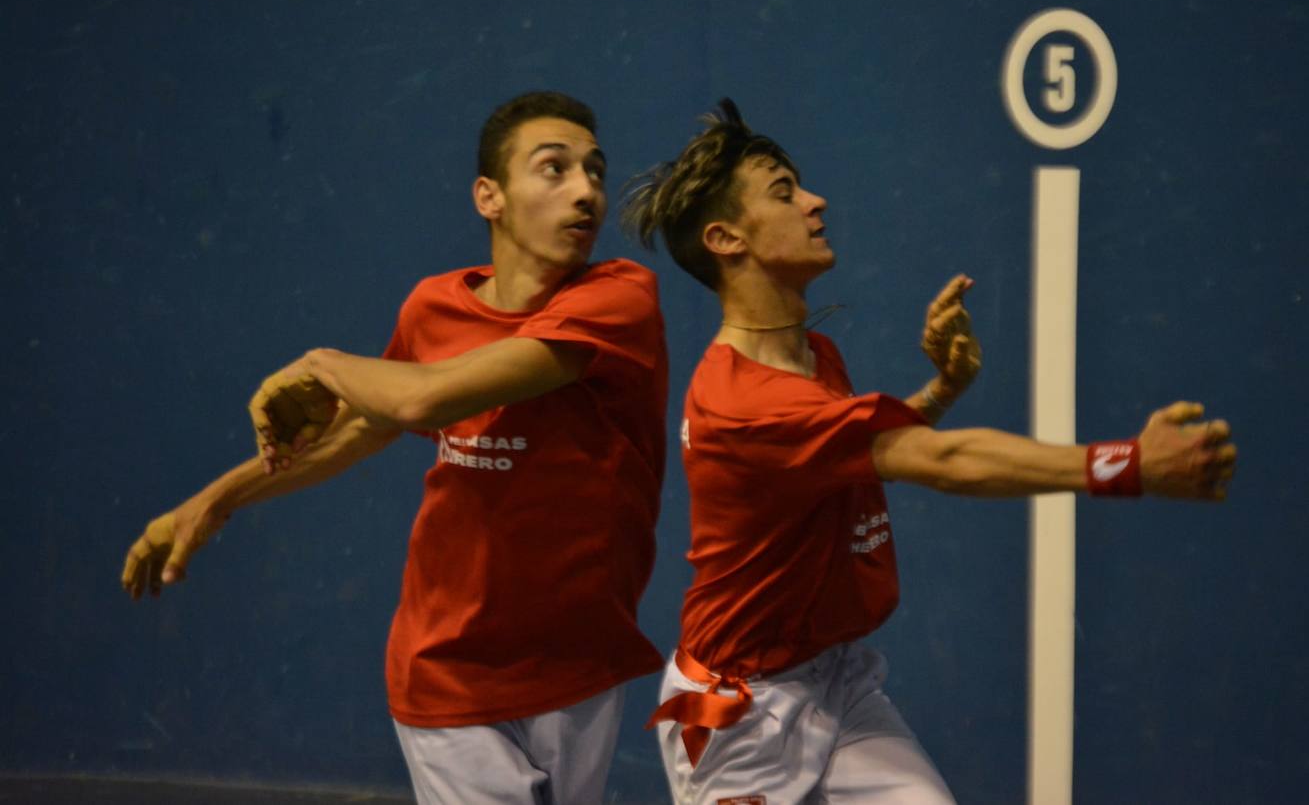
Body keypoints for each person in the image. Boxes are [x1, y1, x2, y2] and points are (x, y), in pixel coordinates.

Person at [620, 99, 1237, 804]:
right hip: (739, 718)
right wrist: (1128, 464)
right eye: (785, 192)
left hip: (835, 681)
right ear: (727, 238)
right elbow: (939, 462)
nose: (816, 201)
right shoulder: (748, 402)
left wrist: (941, 391)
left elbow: (844, 455)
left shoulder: (812, 356)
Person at [121, 91, 669, 805]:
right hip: (445, 664)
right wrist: (214, 499)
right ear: (489, 196)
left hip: (576, 664)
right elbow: (361, 428)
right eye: (554, 169)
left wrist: (319, 361)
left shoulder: (619, 299)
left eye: (594, 171)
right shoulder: (433, 308)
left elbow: (422, 398)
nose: (585, 191)